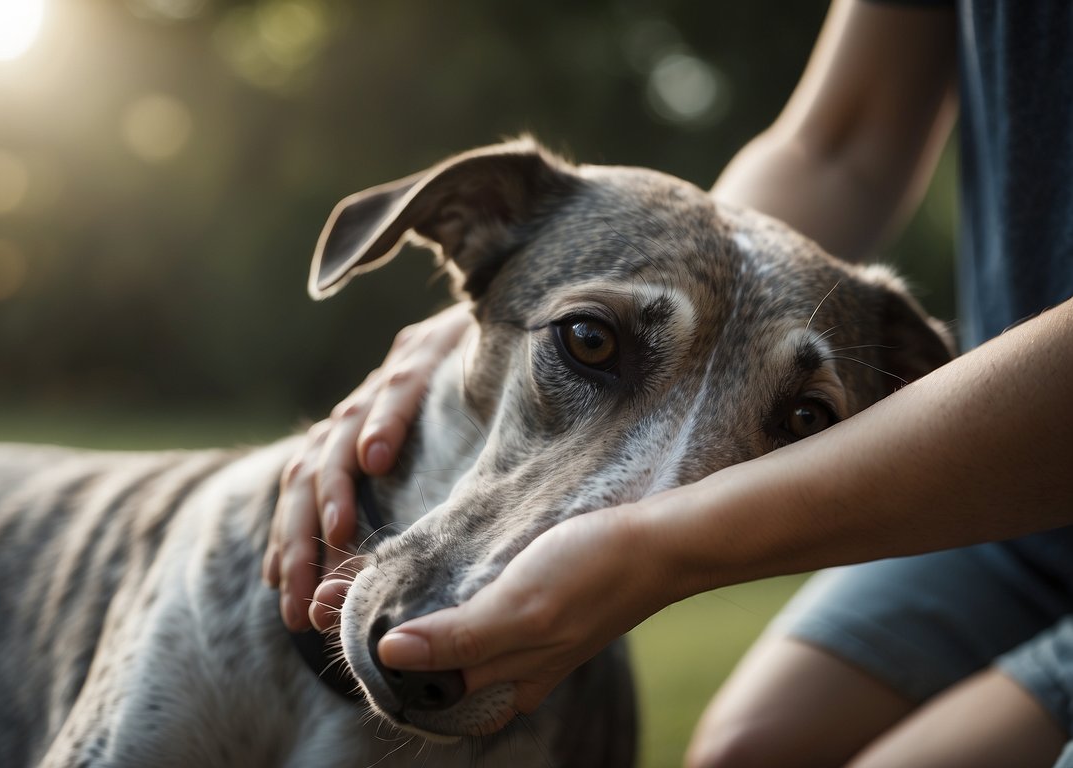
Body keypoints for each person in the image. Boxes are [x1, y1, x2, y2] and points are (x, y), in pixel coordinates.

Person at [263, 0, 1073, 765]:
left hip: (1011, 464)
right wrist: (540, 274)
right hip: (1014, 533)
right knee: (746, 753)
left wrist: (662, 548)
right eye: (588, 341)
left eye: (800, 419)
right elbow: (841, 145)